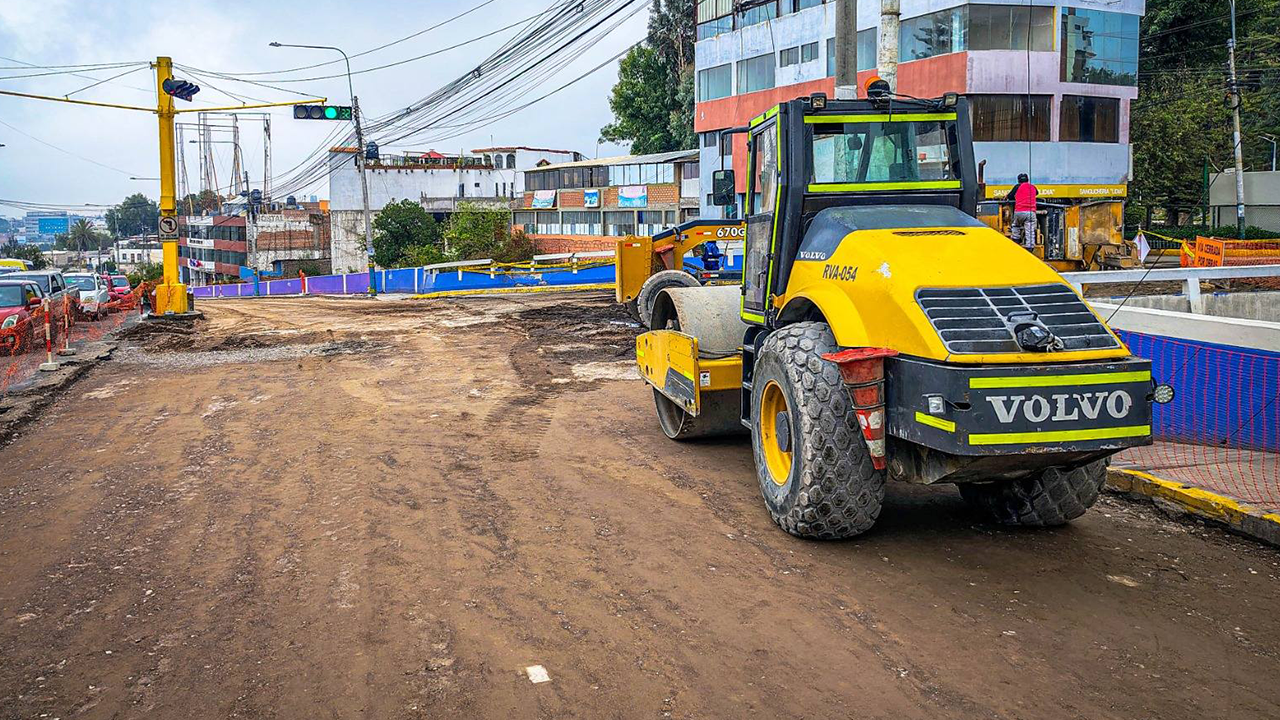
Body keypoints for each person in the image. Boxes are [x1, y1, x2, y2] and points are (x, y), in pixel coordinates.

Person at [1005, 173, 1038, 250]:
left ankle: (1016, 242)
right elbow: (1037, 193)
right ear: (1028, 180)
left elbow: (1010, 196)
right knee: (1030, 229)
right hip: (1031, 212)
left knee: (1015, 225)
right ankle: (1030, 247)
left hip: (1019, 211)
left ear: (1018, 180)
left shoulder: (1017, 187)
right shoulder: (1033, 187)